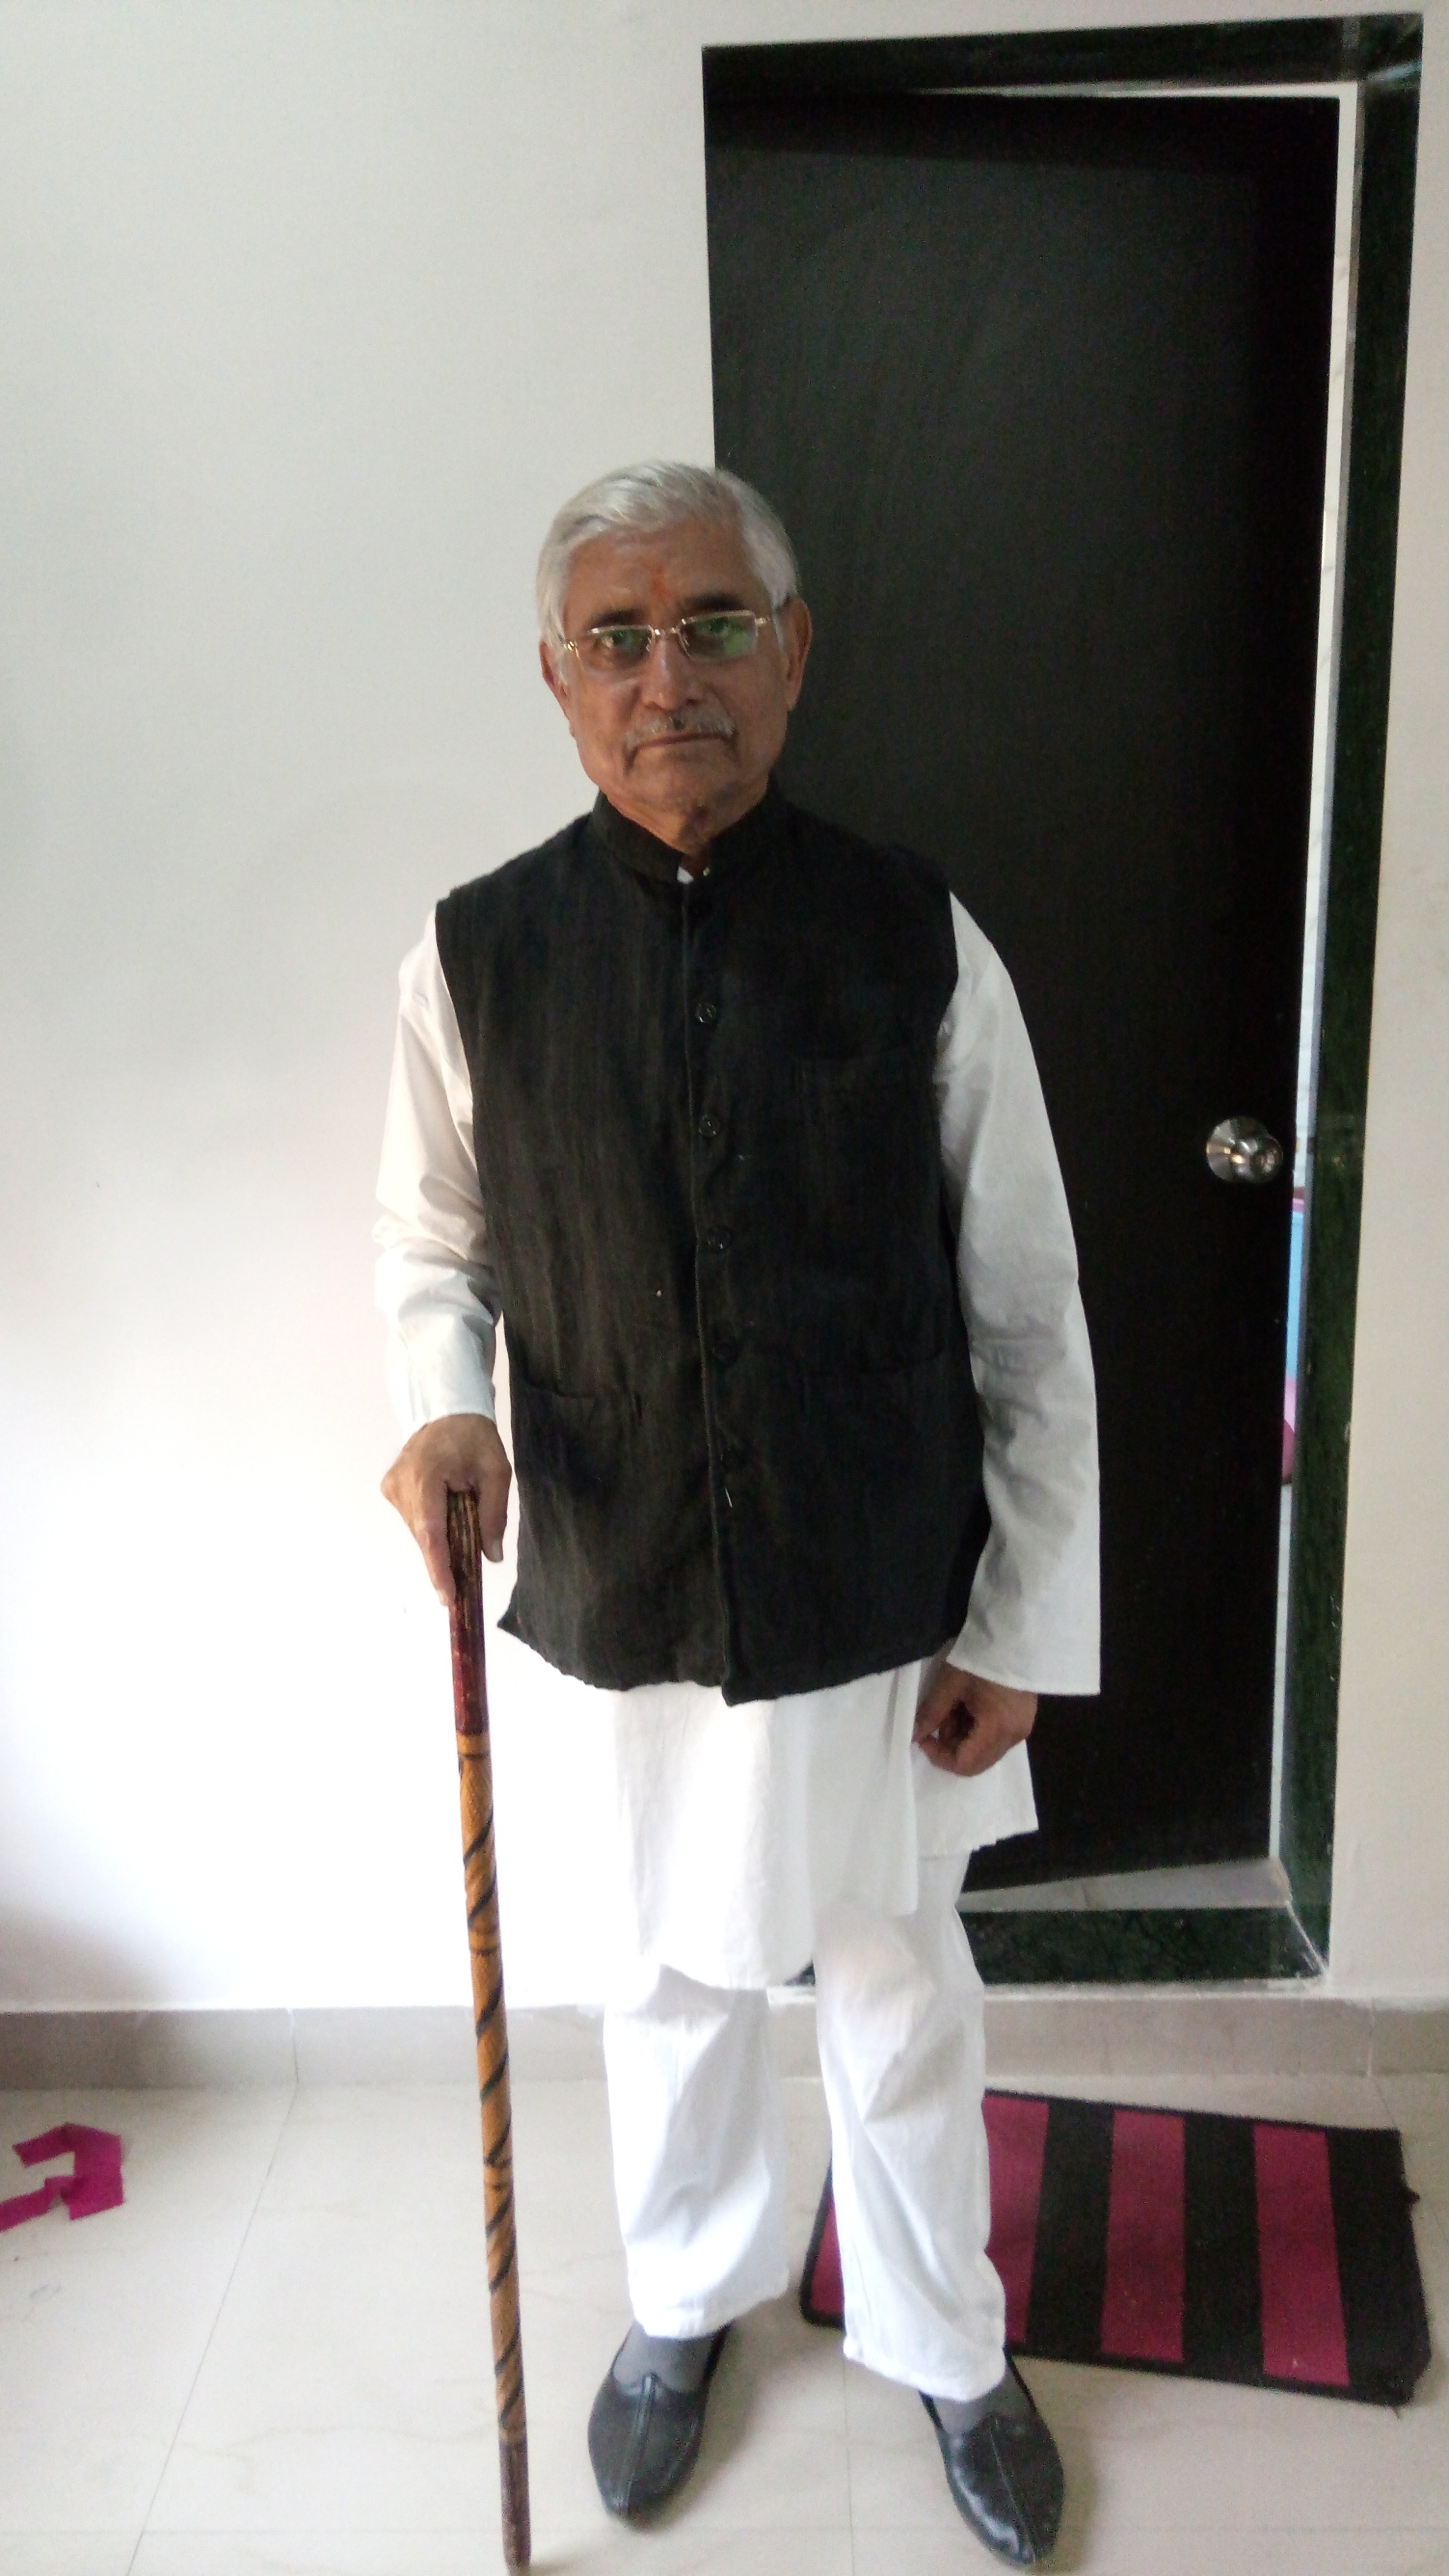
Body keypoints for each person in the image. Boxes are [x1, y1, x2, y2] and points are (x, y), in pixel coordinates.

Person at [375, 460, 1099, 2568]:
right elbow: (431, 1249)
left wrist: (1022, 1625)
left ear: (790, 654)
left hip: (882, 1584)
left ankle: (948, 2341)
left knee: (897, 1983)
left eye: (710, 626)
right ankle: (685, 2302)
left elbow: (1028, 1304)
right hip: (624, 1568)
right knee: (666, 1982)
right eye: (617, 638)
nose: (664, 676)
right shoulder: (476, 955)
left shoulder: (916, 935)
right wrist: (443, 1412)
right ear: (557, 677)